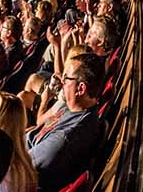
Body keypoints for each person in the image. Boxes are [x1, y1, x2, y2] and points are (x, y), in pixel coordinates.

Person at [26, 53, 104, 191]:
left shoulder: (65, 138)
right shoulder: (73, 105)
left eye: (66, 78)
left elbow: (19, 166)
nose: (61, 81)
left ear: (80, 89)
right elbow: (40, 127)